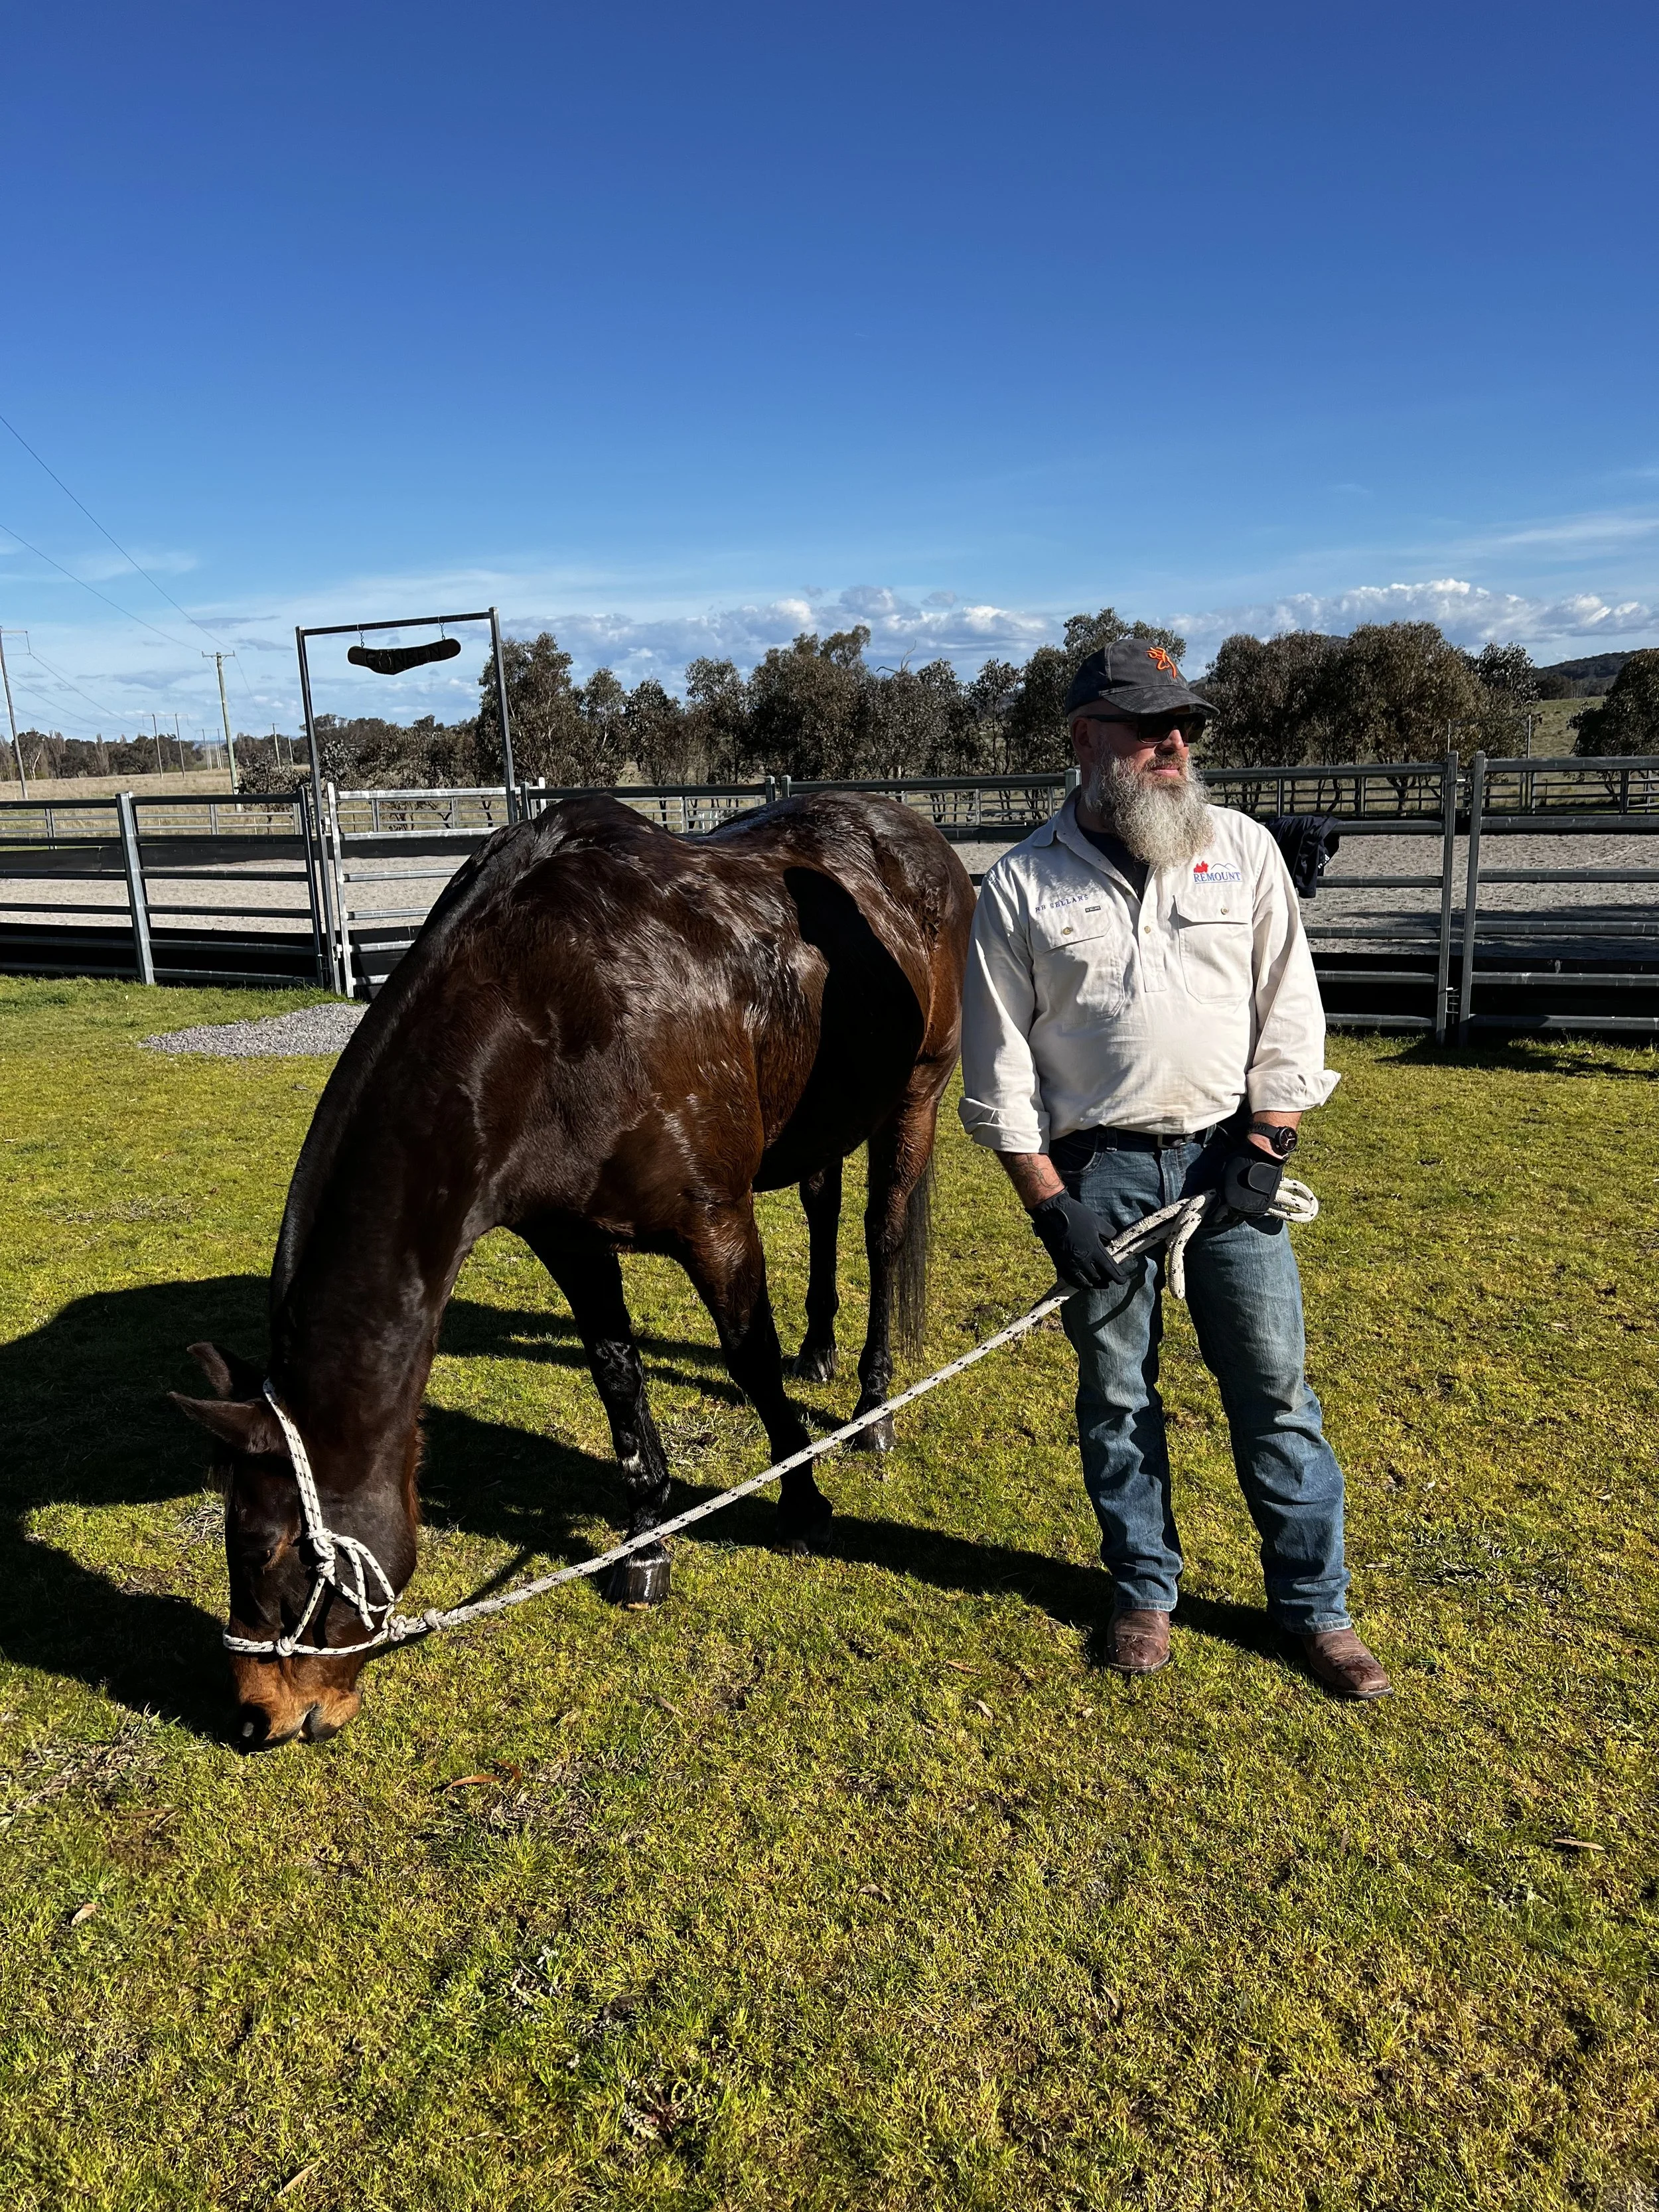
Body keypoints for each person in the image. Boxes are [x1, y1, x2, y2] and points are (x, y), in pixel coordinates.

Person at [958, 640, 1388, 1698]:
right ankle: (1146, 1592)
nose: (1174, 745)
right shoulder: (1020, 885)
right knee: (1115, 1396)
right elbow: (999, 1062)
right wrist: (1048, 1203)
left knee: (1274, 1390)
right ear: (1085, 739)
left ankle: (1315, 1609)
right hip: (1095, 1174)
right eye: (1150, 728)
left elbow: (1290, 1006)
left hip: (1229, 1165)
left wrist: (1269, 1138)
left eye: (1183, 727)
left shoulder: (1239, 850)